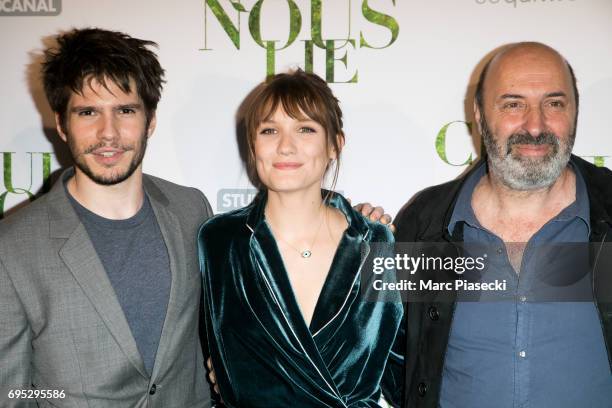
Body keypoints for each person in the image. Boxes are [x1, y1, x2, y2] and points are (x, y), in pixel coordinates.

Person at [0, 28, 213, 407]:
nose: (108, 133)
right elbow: (11, 393)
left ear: (150, 120)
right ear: (62, 124)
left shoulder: (191, 210)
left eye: (125, 110)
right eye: (88, 112)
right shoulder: (12, 247)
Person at [395, 42, 612, 407]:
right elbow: (391, 361)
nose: (535, 125)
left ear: (575, 112)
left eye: (554, 103)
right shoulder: (424, 223)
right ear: (479, 115)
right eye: (513, 104)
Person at [198, 69, 404, 407]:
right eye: (269, 130)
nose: (285, 146)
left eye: (305, 129)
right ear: (253, 144)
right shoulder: (219, 241)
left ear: (335, 144)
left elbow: (407, 368)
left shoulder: (375, 243)